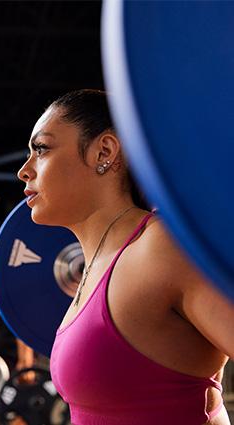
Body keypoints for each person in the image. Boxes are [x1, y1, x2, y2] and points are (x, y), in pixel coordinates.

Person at [17, 89, 234, 425]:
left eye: (41, 149)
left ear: (104, 151)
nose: (25, 171)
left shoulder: (162, 248)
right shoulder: (99, 267)